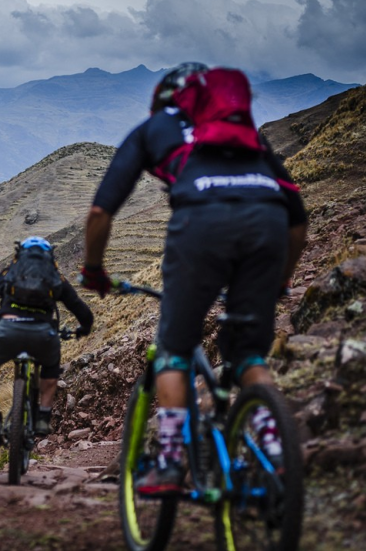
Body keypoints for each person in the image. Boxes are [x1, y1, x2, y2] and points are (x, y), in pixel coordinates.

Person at [80, 62, 308, 495]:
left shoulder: (153, 129)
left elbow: (99, 211)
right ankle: (277, 450)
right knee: (248, 356)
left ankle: (169, 462)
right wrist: (280, 281)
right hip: (268, 227)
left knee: (174, 350)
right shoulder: (246, 139)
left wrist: (94, 270)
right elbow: (297, 222)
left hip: (201, 228)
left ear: (164, 100)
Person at [0, 236, 94, 446]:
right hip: (43, 336)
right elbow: (83, 312)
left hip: (7, 332)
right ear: (49, 256)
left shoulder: (10, 274)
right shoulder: (55, 278)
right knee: (50, 368)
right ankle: (42, 417)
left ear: (20, 254)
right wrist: (82, 330)